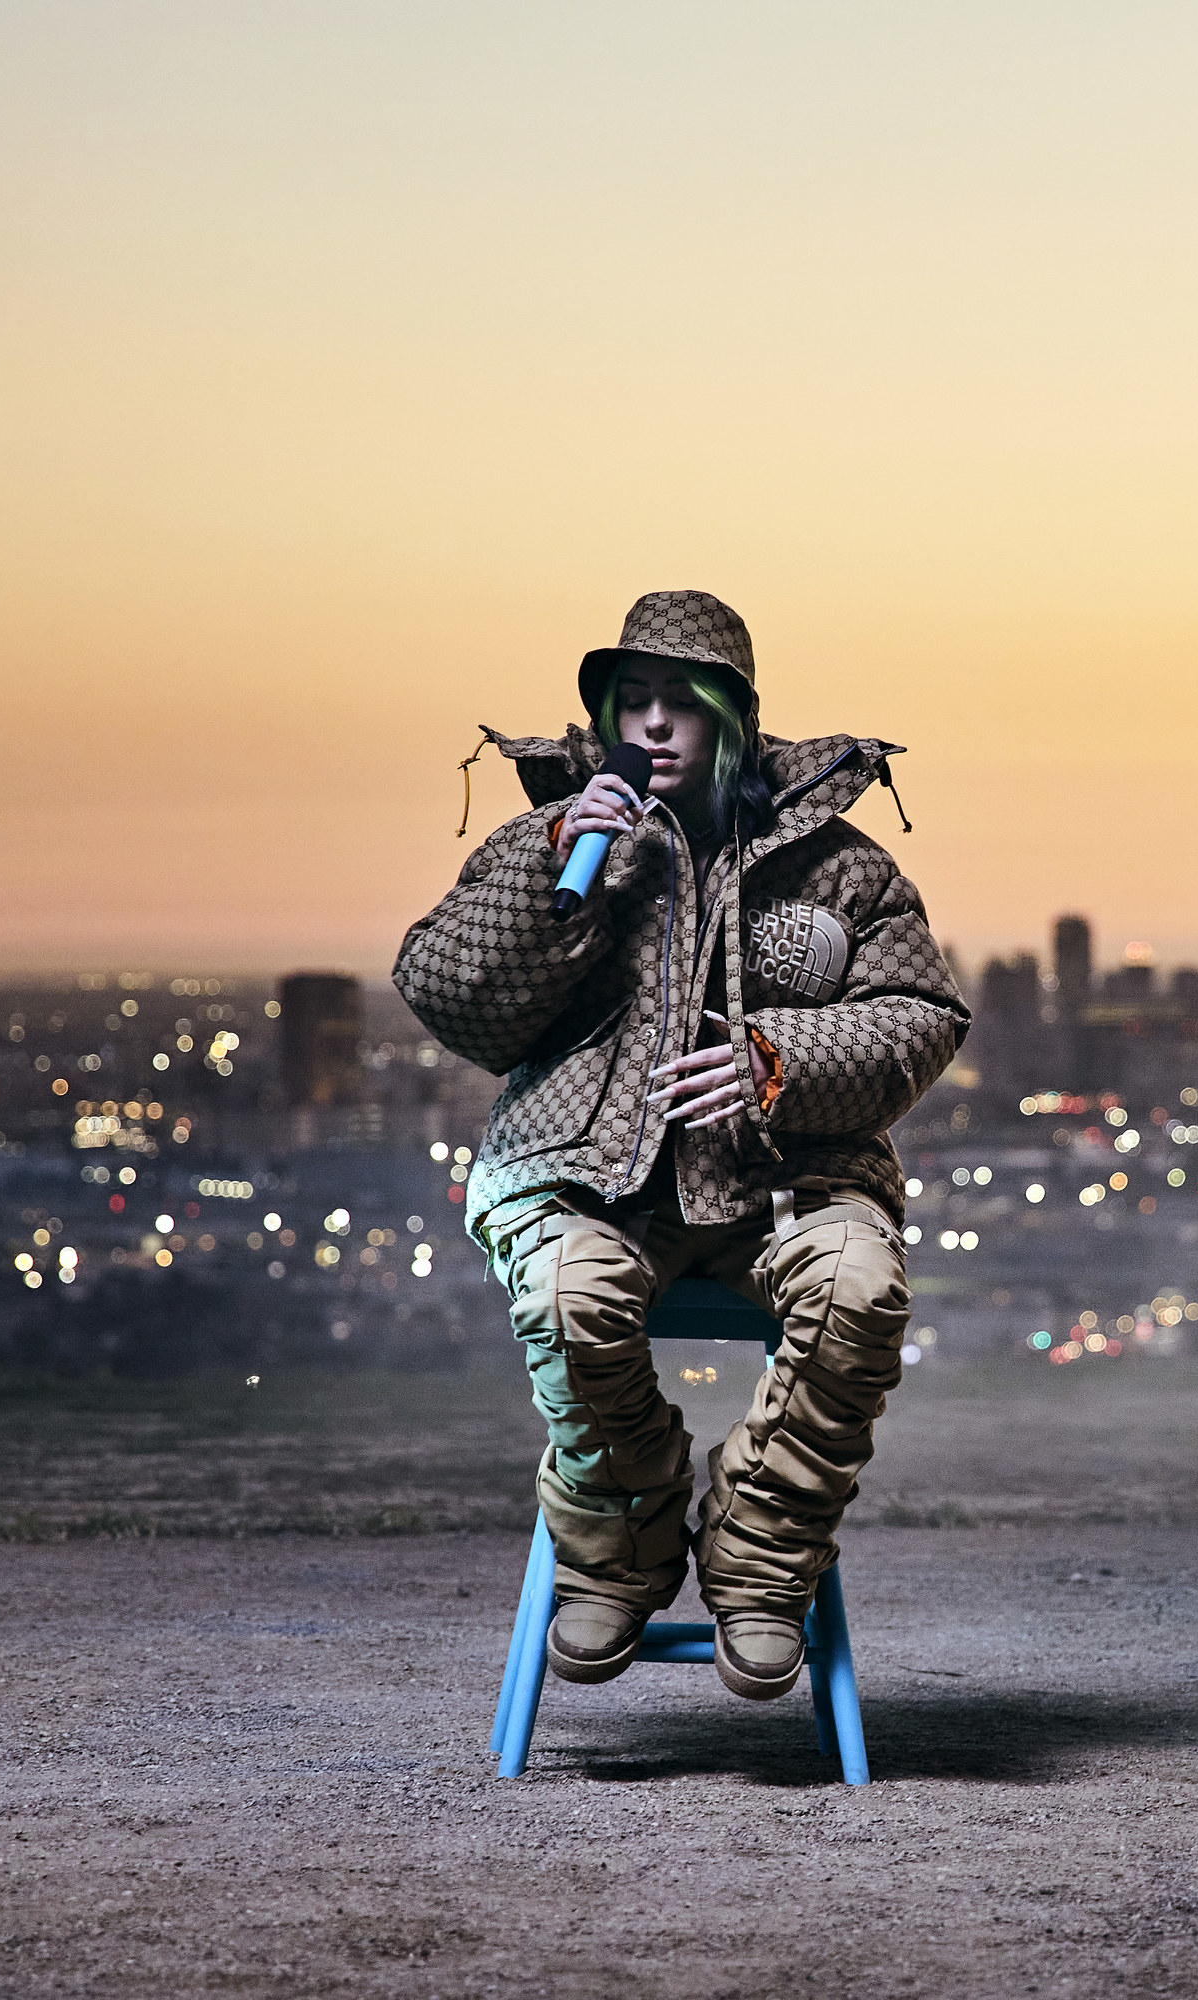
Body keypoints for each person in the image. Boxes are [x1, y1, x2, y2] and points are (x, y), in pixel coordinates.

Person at [395, 590, 966, 1699]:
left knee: (859, 1287)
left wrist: (776, 1061)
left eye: (679, 703)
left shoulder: (842, 868)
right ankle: (623, 1545)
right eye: (632, 703)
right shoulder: (548, 843)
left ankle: (757, 1559)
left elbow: (920, 1014)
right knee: (572, 1299)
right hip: (585, 1180)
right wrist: (554, 874)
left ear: (733, 720)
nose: (652, 724)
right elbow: (444, 993)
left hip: (785, 1183)